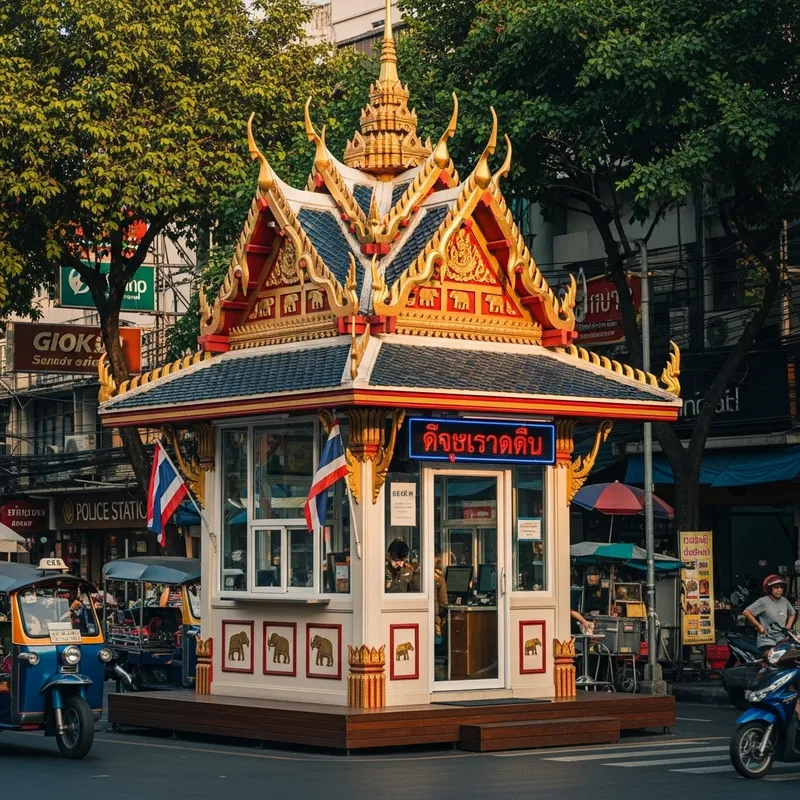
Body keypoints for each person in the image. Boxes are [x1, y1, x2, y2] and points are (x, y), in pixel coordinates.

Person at [744, 574, 797, 655]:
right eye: (776, 588)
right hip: (767, 640)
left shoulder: (785, 601)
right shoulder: (763, 601)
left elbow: (792, 613)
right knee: (771, 659)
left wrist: (788, 627)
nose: (779, 590)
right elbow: (746, 612)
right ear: (769, 589)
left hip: (781, 639)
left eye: (781, 588)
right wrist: (759, 626)